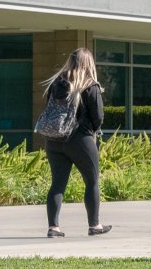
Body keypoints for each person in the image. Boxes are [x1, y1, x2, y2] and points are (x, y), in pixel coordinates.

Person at [42, 48, 111, 238]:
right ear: (89, 63)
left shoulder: (56, 83)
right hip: (80, 140)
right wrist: (91, 131)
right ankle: (94, 225)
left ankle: (53, 227)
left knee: (57, 184)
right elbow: (98, 116)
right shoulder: (90, 85)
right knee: (92, 181)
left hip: (54, 140)